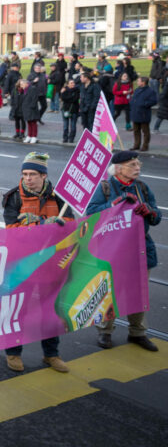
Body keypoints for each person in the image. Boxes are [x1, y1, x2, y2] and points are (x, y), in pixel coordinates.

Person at [1, 152, 73, 373]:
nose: (27, 178)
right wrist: (44, 224)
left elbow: (70, 225)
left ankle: (51, 354)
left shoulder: (60, 198)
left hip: (50, 264)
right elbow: (13, 231)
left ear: (43, 175)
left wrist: (58, 224)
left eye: (32, 174)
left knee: (50, 309)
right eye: (24, 174)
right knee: (18, 309)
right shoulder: (13, 197)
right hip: (22, 263)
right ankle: (13, 352)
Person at [86, 150, 161, 352]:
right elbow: (91, 213)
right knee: (111, 293)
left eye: (138, 165)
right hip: (114, 250)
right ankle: (105, 332)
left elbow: (156, 217)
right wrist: (112, 205)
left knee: (139, 293)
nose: (138, 168)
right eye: (133, 165)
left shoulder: (142, 188)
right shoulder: (106, 187)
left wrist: (149, 211)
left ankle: (138, 333)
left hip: (140, 250)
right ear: (119, 169)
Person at [128, 77, 157, 151]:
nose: (137, 82)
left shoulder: (150, 91)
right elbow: (133, 99)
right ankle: (136, 145)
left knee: (145, 131)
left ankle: (145, 146)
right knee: (136, 130)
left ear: (143, 82)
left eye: (138, 81)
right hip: (135, 113)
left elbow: (154, 101)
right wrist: (131, 103)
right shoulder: (137, 90)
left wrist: (144, 104)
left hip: (144, 114)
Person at [59, 78, 80, 143]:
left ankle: (71, 138)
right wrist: (71, 97)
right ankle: (65, 138)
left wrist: (69, 98)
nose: (73, 84)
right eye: (71, 83)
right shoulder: (64, 90)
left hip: (74, 110)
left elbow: (75, 99)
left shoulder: (77, 90)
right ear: (68, 84)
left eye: (73, 83)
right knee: (65, 125)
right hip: (65, 109)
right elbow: (63, 98)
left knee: (73, 125)